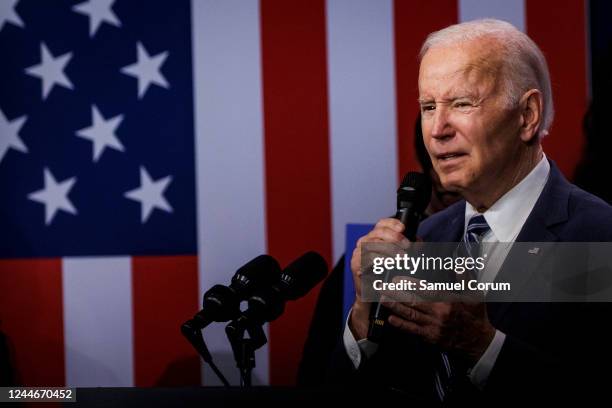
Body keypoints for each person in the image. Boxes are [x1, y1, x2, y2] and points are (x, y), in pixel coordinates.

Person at [328, 19, 612, 405]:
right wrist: (364, 318)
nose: (437, 129)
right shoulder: (426, 239)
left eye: (462, 103)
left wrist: (483, 347)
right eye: (429, 107)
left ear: (527, 115)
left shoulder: (598, 235)